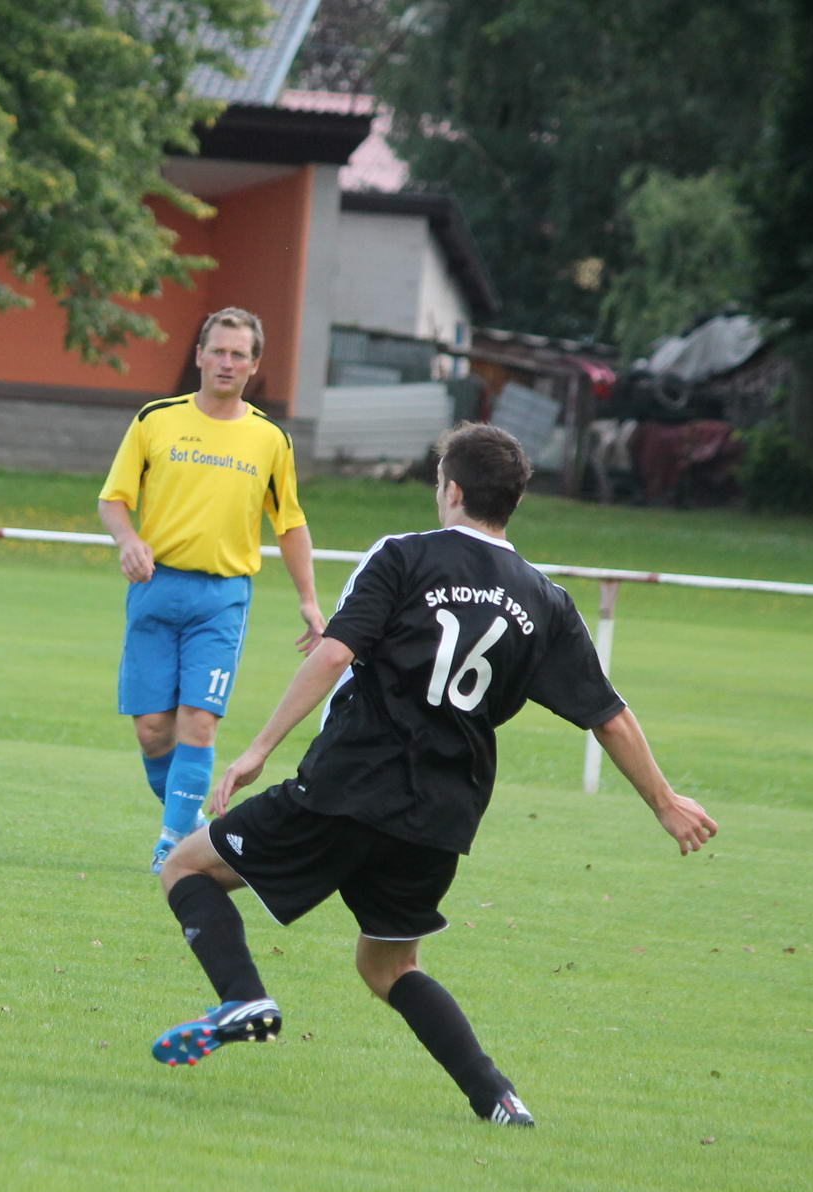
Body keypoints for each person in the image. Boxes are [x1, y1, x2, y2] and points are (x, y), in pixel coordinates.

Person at [147, 423, 719, 1126]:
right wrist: (664, 802)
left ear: (451, 490)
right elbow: (610, 716)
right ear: (512, 501)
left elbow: (334, 654)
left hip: (350, 784)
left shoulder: (404, 556)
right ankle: (498, 1097)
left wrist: (258, 748)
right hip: (442, 814)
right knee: (388, 968)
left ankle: (242, 996)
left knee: (186, 867)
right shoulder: (546, 601)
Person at [98, 307, 326, 876]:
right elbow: (113, 499)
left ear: (254, 365)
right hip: (155, 589)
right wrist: (128, 539)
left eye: (238, 355)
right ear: (199, 356)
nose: (227, 362)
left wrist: (308, 598)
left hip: (222, 599)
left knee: (198, 721)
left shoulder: (270, 439)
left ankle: (171, 846)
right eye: (218, 351)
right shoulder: (156, 420)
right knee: (153, 730)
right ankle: (193, 826)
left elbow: (290, 523)